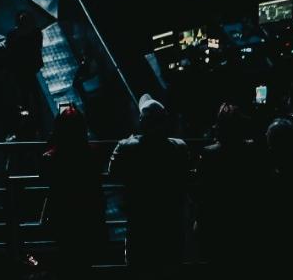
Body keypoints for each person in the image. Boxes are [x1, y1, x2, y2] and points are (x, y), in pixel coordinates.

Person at [107, 95, 193, 270]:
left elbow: (113, 172)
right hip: (171, 221)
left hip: (140, 222)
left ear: (142, 122)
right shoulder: (179, 147)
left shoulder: (127, 147)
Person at [41, 105, 105, 265]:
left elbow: (43, 174)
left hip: (63, 217)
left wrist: (52, 139)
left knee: (67, 259)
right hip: (90, 215)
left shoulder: (51, 158)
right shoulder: (94, 154)